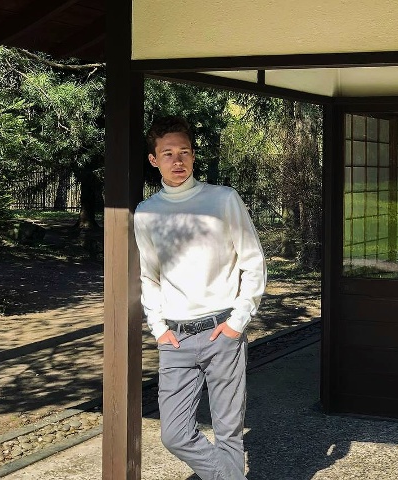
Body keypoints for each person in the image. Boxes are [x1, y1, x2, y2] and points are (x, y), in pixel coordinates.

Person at [134, 115, 267, 479]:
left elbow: (253, 262)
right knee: (175, 434)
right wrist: (158, 328)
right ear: (154, 160)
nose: (177, 160)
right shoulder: (146, 213)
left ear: (193, 156)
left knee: (228, 434)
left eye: (184, 152)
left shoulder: (223, 199)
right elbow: (149, 275)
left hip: (222, 331)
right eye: (168, 154)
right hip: (175, 339)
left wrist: (237, 322)